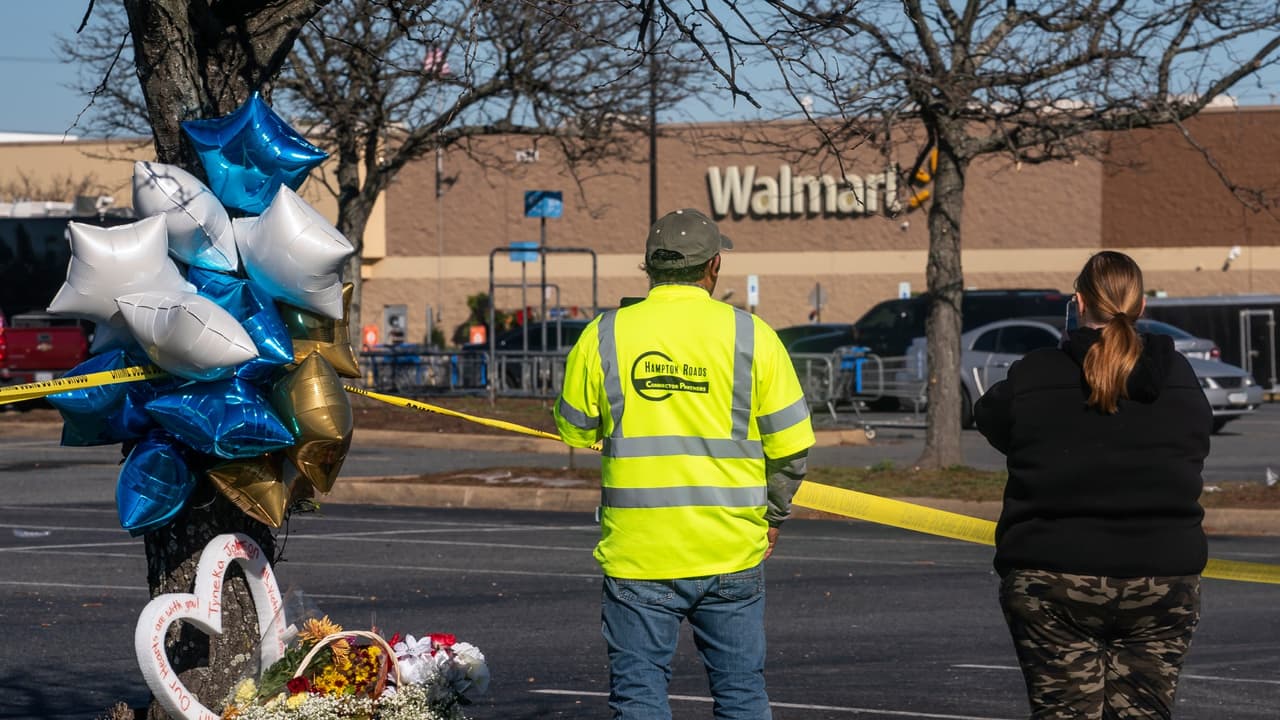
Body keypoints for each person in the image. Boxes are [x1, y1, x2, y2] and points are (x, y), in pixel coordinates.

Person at [554, 208, 815, 720]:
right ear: (714, 265)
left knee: (639, 698)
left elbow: (575, 429)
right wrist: (774, 517)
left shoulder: (604, 334)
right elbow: (790, 449)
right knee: (741, 696)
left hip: (640, 554)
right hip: (730, 549)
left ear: (648, 268)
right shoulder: (753, 335)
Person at [973, 250, 1212, 719]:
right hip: (1162, 576)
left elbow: (992, 420)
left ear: (1077, 303)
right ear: (1141, 307)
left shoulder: (1036, 373)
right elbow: (1194, 445)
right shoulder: (1179, 379)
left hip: (1054, 578)